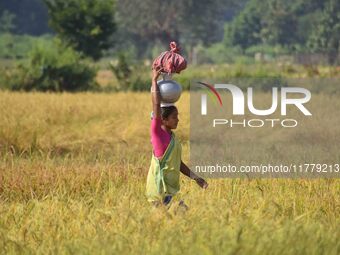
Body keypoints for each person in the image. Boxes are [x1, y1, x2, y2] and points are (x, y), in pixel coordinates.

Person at [146, 68, 208, 207]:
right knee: (180, 214)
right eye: (174, 117)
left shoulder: (171, 137)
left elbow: (177, 163)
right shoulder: (157, 134)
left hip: (169, 191)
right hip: (159, 189)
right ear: (163, 119)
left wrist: (196, 178)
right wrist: (154, 80)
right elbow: (156, 104)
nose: (178, 120)